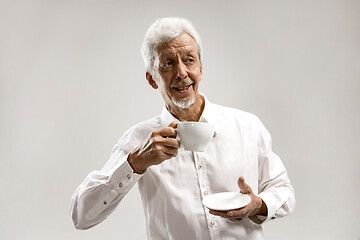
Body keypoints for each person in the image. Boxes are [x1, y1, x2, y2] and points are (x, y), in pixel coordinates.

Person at [70, 17, 295, 239]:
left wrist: (259, 205)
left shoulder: (247, 126)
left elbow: (284, 191)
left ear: (200, 68)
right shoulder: (138, 140)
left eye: (189, 60)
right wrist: (135, 163)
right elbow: (81, 216)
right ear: (152, 79)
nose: (181, 73)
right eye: (168, 64)